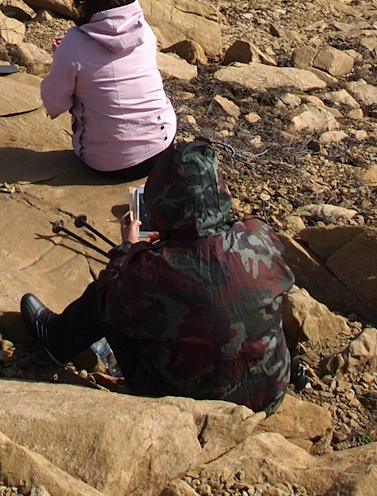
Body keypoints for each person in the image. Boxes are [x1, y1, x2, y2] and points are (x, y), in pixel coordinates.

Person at [18, 138, 294, 411]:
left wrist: (128, 248)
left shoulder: (151, 270)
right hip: (270, 395)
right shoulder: (261, 237)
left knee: (104, 292)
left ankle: (55, 339)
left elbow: (108, 301)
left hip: (187, 405)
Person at [39, 0, 177, 176]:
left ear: (87, 3)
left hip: (110, 164)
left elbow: (54, 103)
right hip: (163, 146)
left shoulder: (74, 43)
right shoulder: (144, 31)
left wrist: (63, 58)